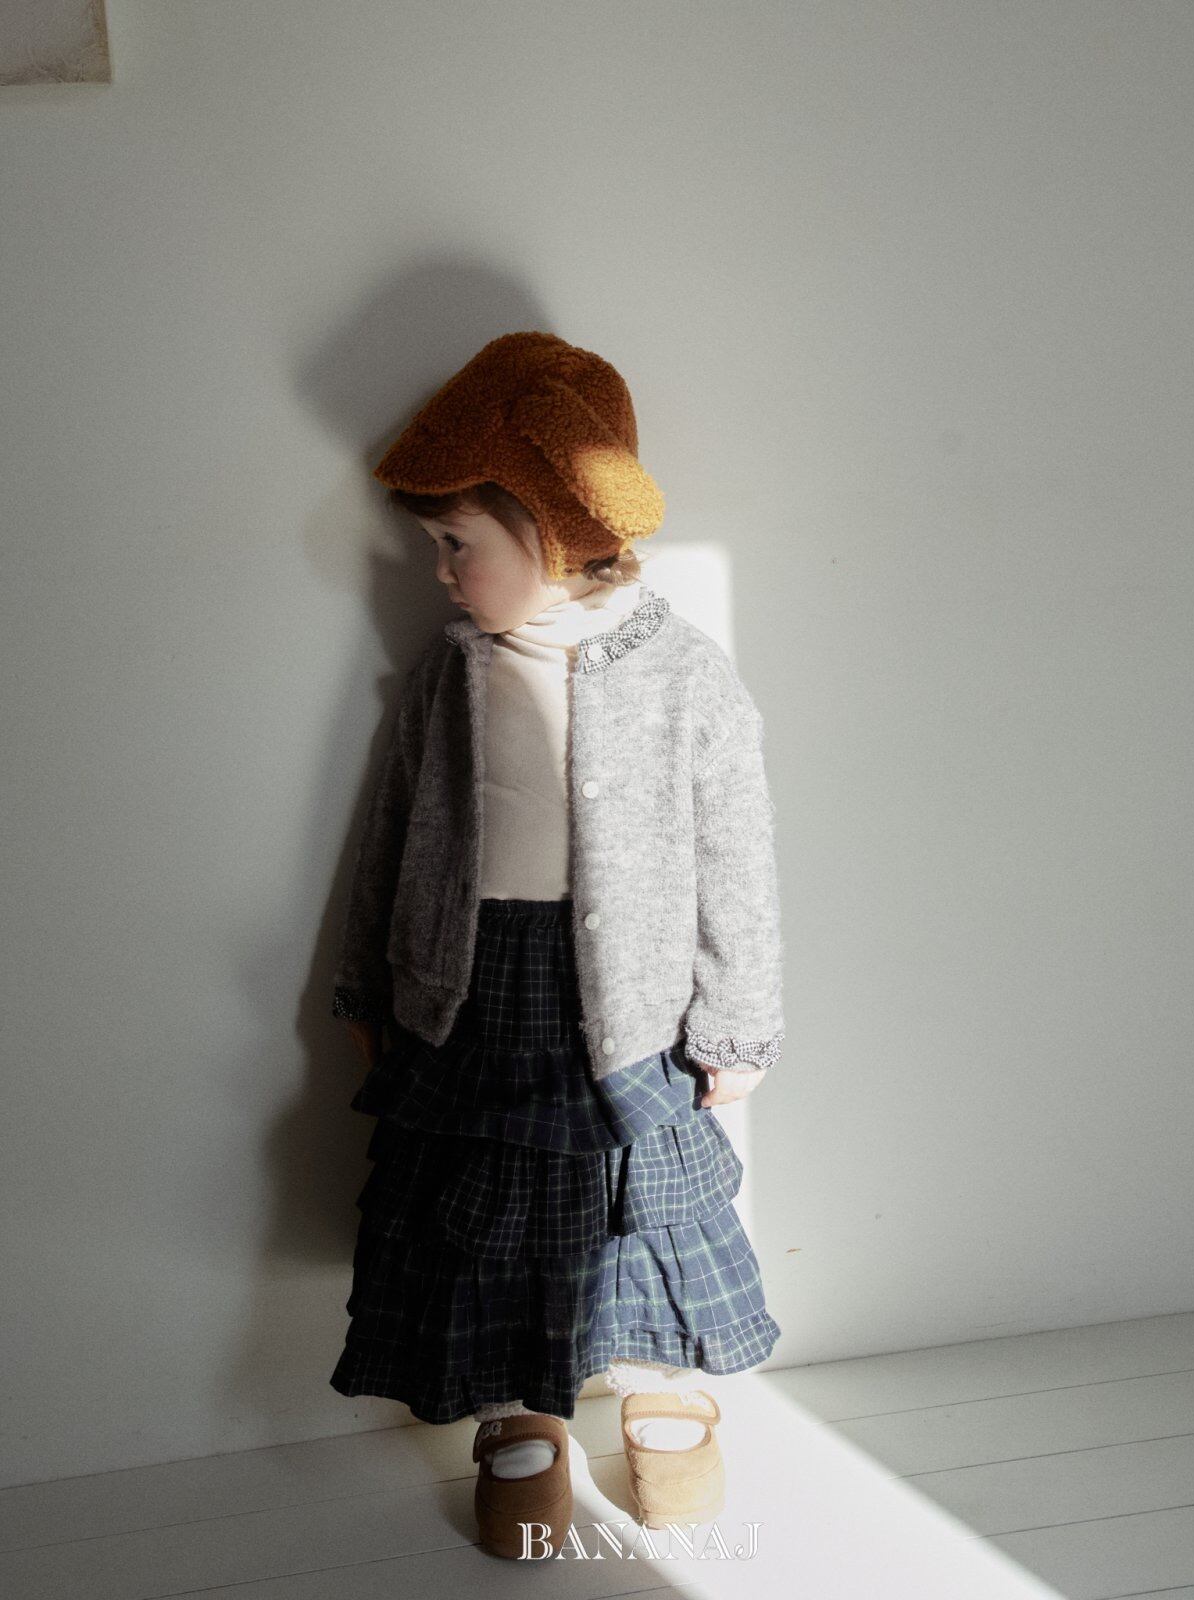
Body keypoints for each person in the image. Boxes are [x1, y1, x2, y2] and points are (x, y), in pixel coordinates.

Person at [327, 331, 785, 1555]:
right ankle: (519, 1405)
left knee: (639, 1203)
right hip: (476, 992)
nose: (438, 573)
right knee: (487, 1210)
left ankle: (656, 1385)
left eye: (456, 544)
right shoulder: (450, 678)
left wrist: (738, 1022)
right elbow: (391, 837)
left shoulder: (684, 676)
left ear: (550, 527)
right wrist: (366, 985)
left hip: (630, 1010)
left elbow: (736, 861)